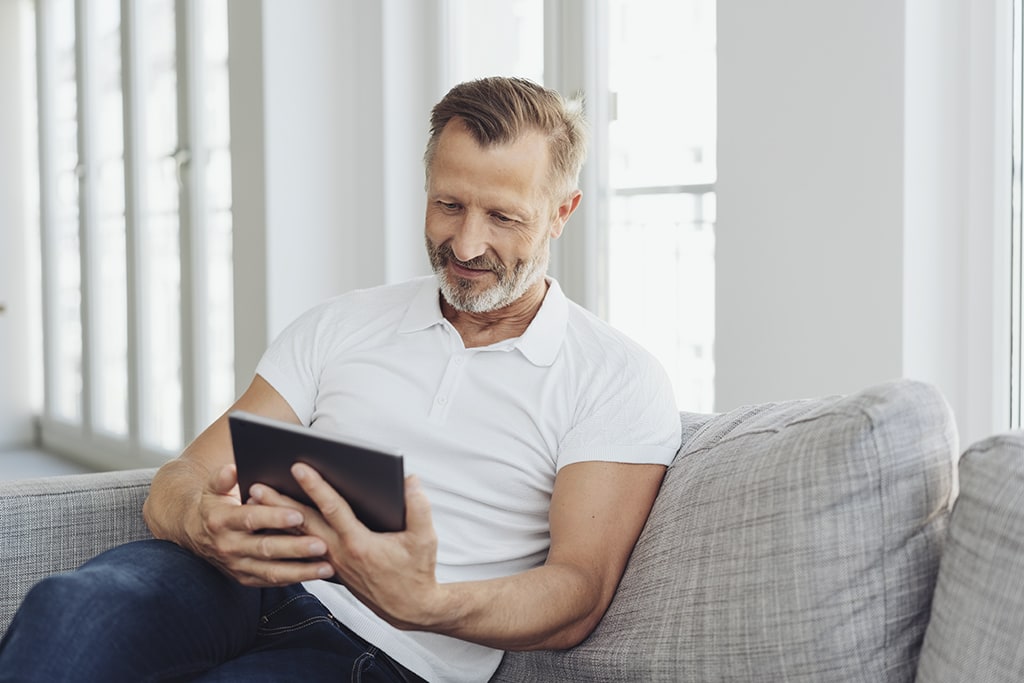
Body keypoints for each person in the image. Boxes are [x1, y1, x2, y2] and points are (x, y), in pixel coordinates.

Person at [0, 77, 681, 682]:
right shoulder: (343, 322)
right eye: (448, 204)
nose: (468, 245)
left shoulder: (613, 376)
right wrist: (198, 518)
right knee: (67, 611)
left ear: (562, 212)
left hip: (394, 650)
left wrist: (427, 602)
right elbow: (185, 473)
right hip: (240, 581)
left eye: (503, 217)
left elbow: (579, 591)